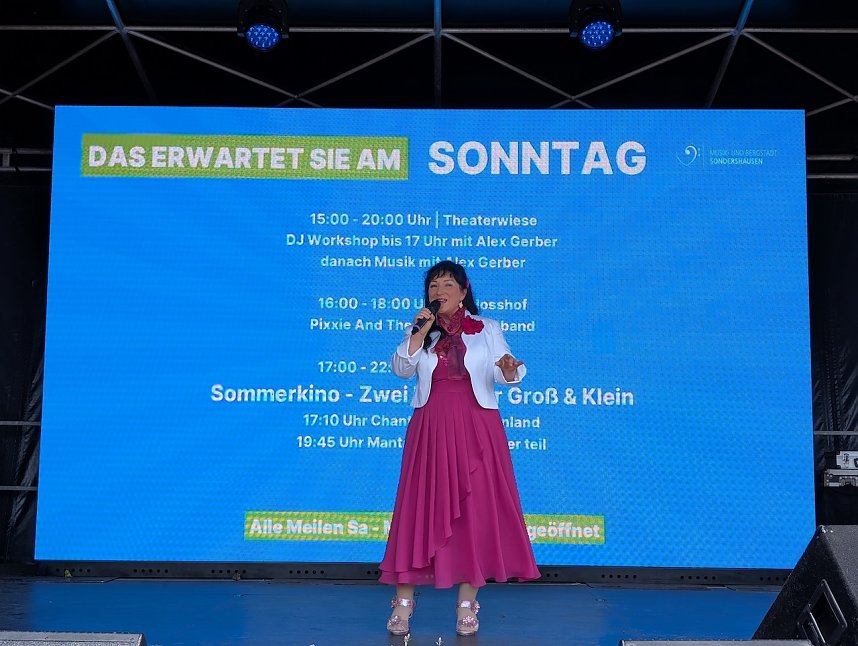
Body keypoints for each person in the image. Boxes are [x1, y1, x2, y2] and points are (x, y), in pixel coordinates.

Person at [379, 260, 540, 636]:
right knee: (420, 510)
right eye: (433, 286)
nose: (439, 292)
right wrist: (418, 335)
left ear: (464, 290)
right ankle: (403, 602)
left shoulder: (488, 329)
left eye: (447, 285)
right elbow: (402, 368)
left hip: (477, 428)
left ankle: (467, 602)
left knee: (475, 512)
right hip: (431, 427)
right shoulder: (421, 329)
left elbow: (505, 372)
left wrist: (510, 369)